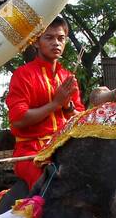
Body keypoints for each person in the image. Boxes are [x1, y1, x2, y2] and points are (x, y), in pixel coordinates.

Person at [5, 15, 85, 188]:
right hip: (31, 153)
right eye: (49, 38)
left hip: (65, 148)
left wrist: (67, 106)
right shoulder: (23, 75)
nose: (56, 43)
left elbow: (82, 120)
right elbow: (18, 120)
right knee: (51, 189)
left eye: (60, 38)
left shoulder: (68, 78)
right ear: (35, 42)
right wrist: (55, 104)